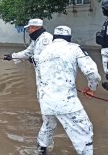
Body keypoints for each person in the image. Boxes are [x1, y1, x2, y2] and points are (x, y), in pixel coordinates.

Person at [36, 26, 101, 155]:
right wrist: (91, 88)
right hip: (66, 101)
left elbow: (40, 77)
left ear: (54, 37)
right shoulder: (74, 48)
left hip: (45, 99)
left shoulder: (43, 52)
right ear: (69, 38)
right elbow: (92, 73)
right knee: (85, 129)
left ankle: (41, 149)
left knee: (48, 125)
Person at [3, 18, 53, 96]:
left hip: (49, 73)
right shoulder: (36, 39)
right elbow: (28, 52)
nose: (28, 31)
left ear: (33, 28)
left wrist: (33, 58)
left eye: (28, 28)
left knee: (47, 95)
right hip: (41, 72)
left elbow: (48, 57)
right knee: (41, 94)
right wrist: (12, 56)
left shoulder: (46, 39)